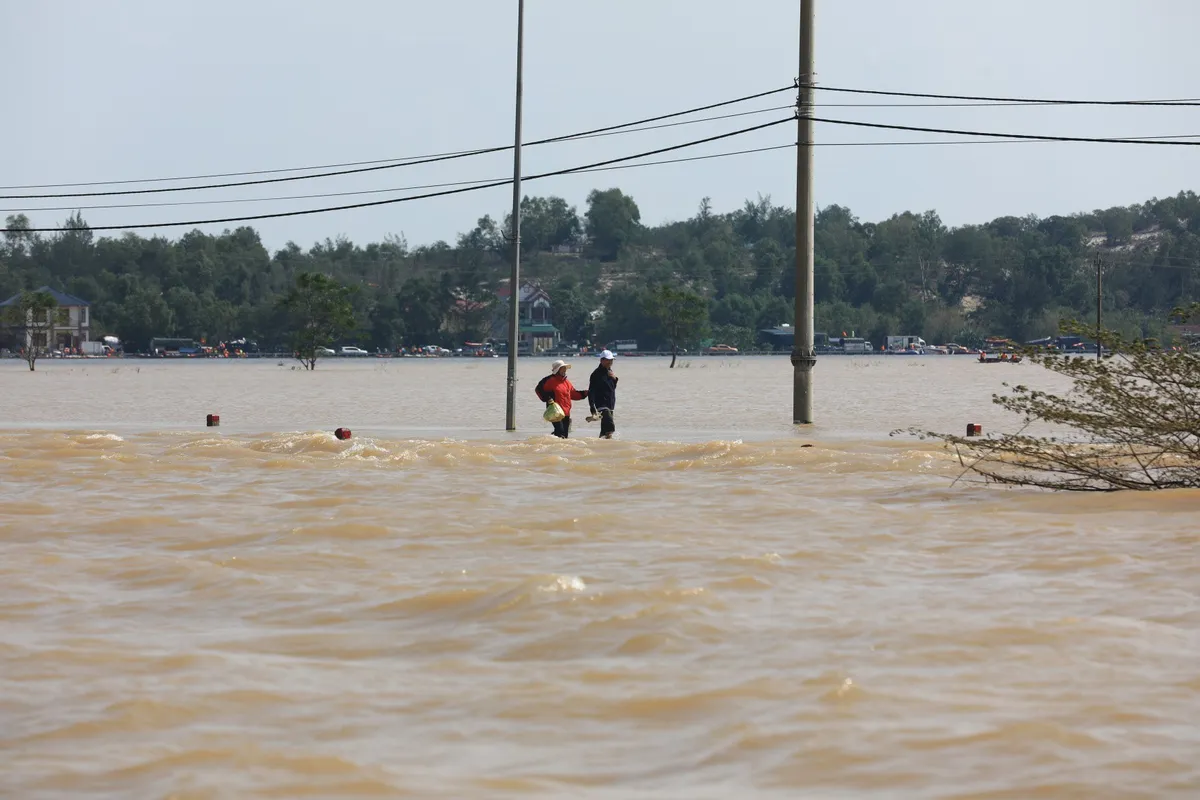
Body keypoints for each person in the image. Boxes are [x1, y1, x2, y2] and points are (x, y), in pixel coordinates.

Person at [535, 359, 587, 439]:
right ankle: (550, 441)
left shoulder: (566, 382)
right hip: (555, 412)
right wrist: (547, 398)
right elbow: (538, 390)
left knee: (564, 436)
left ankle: (549, 442)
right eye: (563, 368)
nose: (565, 370)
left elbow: (573, 394)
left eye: (565, 368)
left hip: (566, 413)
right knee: (560, 433)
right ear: (557, 370)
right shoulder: (548, 380)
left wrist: (585, 393)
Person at [588, 349, 619, 439]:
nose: (610, 362)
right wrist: (592, 408)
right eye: (608, 360)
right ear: (601, 360)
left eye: (612, 360)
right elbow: (591, 391)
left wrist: (615, 379)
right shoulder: (595, 374)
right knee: (610, 425)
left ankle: (603, 445)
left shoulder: (610, 372)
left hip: (610, 403)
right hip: (601, 404)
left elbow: (612, 388)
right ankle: (608, 436)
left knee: (605, 431)